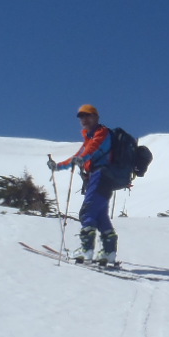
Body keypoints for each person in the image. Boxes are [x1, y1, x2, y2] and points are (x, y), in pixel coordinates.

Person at [49, 104, 119, 264]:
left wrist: (83, 158)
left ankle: (86, 250)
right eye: (81, 117)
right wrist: (58, 166)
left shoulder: (102, 133)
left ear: (96, 117)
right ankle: (109, 253)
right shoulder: (91, 137)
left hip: (100, 175)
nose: (84, 119)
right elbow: (78, 156)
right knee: (100, 215)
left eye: (88, 115)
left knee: (87, 213)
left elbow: (91, 151)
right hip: (102, 178)